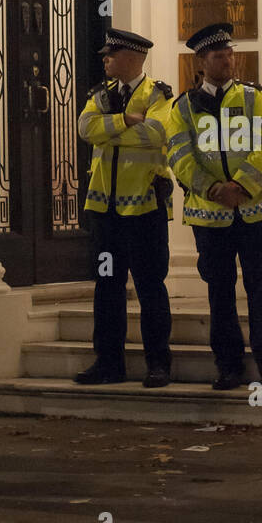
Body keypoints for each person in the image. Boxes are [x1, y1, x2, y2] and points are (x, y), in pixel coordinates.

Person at [166, 22, 262, 392]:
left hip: (254, 211)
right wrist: (213, 187)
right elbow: (179, 153)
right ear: (201, 62)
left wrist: (242, 185)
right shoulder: (183, 107)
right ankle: (229, 366)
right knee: (219, 292)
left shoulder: (254, 98)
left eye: (230, 54)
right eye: (220, 56)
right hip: (210, 214)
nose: (229, 61)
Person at [75, 29, 175, 387]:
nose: (105, 60)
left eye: (111, 55)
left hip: (145, 209)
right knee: (107, 287)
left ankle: (158, 365)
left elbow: (156, 134)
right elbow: (86, 128)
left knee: (150, 287)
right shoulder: (100, 95)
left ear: (132, 58)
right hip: (105, 212)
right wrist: (126, 120)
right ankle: (108, 364)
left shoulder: (159, 95)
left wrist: (112, 128)